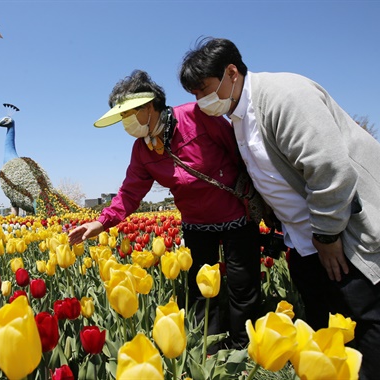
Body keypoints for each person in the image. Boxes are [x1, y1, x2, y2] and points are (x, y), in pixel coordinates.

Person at [179, 37, 380, 379]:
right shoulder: (239, 115)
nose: (200, 101)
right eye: (194, 95)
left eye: (204, 89)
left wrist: (327, 237)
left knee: (375, 321)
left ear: (231, 72)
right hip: (302, 240)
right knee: (324, 326)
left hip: (348, 232)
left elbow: (329, 169)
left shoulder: (284, 96)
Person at [68, 70, 261, 351]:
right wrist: (101, 223)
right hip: (196, 223)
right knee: (199, 291)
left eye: (128, 114)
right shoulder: (142, 149)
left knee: (242, 286)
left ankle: (244, 349)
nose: (125, 123)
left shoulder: (198, 117)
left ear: (149, 107)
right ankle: (209, 350)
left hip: (235, 215)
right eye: (122, 116)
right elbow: (130, 192)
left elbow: (238, 151)